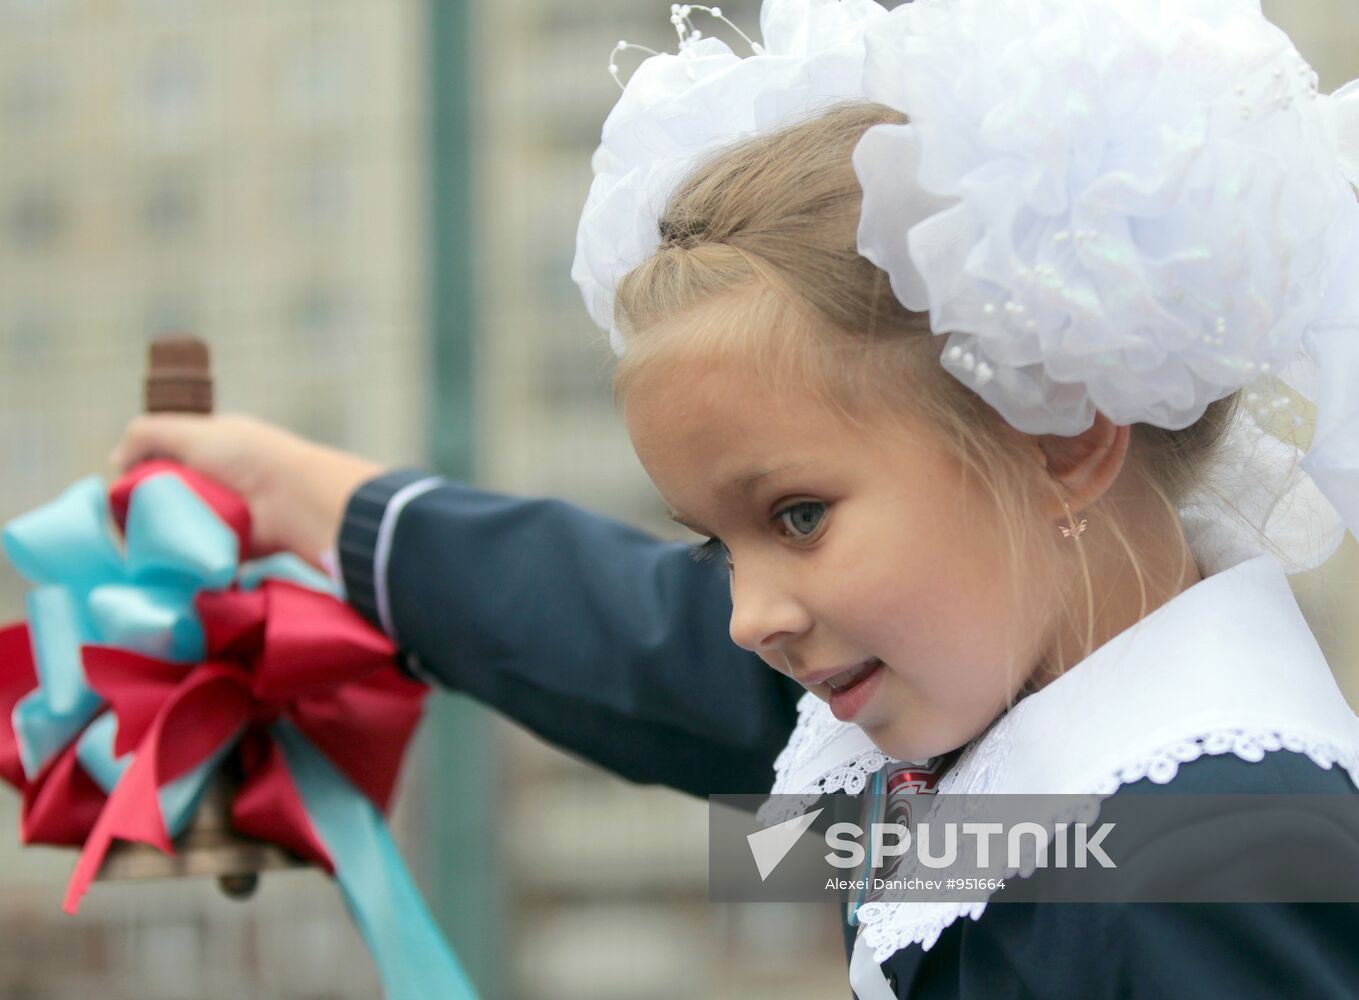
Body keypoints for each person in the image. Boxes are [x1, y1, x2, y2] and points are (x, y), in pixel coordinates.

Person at [111, 0, 1359, 996]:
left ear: (1064, 435)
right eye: (717, 541)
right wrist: (294, 492)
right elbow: (638, 644)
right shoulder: (997, 733)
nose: (743, 615)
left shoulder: (1223, 862)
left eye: (798, 515)